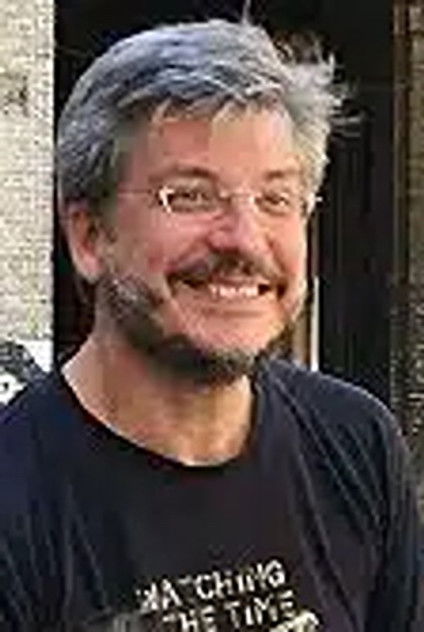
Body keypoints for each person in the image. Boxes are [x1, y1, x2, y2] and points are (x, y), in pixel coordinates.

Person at [0, 18, 422, 632]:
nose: (244, 240)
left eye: (276, 199)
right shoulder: (16, 498)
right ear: (90, 236)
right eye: (190, 195)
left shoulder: (358, 445)